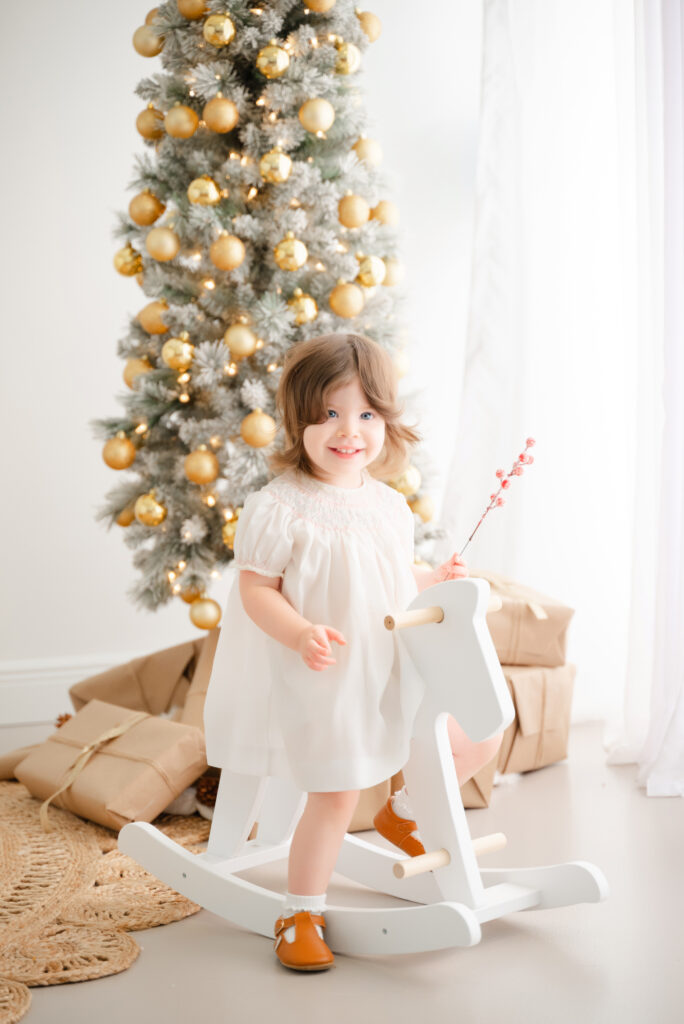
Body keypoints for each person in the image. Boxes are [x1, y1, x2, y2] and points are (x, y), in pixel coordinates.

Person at [206, 333, 502, 971]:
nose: (350, 431)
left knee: (476, 738)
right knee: (336, 793)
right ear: (300, 420)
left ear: (386, 422)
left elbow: (391, 581)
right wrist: (299, 632)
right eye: (331, 414)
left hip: (395, 661)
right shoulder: (281, 508)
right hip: (330, 673)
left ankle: (401, 811)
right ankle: (301, 911)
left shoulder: (388, 506)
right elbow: (256, 589)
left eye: (367, 414)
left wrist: (435, 579)